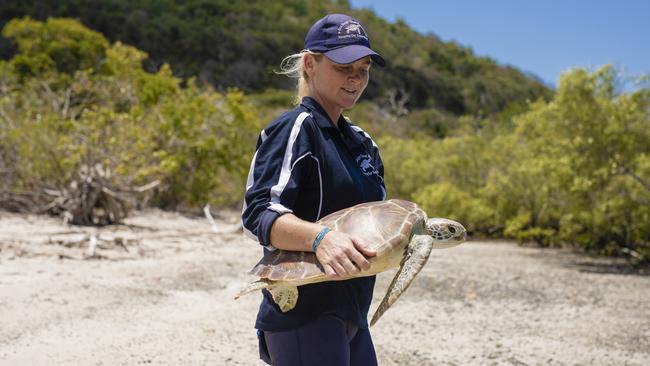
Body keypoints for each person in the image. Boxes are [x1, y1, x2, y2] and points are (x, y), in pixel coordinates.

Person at [241, 13, 387, 366]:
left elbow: (375, 221)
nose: (355, 78)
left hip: (353, 310)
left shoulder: (363, 143)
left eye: (363, 68)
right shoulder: (295, 129)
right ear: (310, 64)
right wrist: (321, 238)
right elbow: (258, 214)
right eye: (343, 67)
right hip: (304, 313)